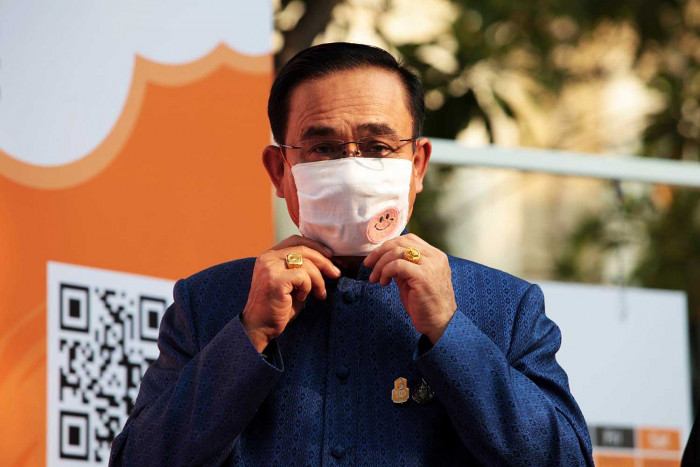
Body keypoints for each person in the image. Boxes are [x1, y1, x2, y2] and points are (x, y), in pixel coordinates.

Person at [109, 42, 593, 466]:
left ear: (417, 165)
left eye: (378, 146)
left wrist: (451, 330)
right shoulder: (208, 301)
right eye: (322, 148)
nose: (352, 168)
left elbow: (566, 459)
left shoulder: (503, 306)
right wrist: (250, 332)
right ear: (279, 170)